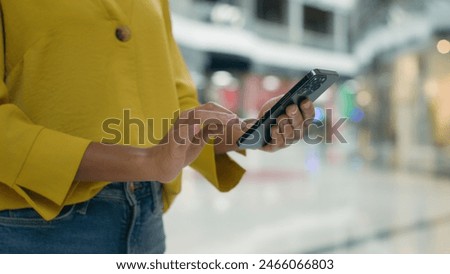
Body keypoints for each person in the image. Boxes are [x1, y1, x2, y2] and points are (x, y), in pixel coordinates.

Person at [0, 0, 315, 253]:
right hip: (35, 222)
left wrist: (245, 133)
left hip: (145, 216)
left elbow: (175, 103)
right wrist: (145, 161)